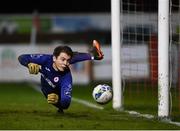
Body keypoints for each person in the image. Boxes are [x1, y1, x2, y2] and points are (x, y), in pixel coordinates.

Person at [18, 40, 104, 113]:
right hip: (46, 87)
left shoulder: (66, 78)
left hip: (58, 88)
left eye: (68, 60)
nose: (65, 63)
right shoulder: (45, 59)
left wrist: (58, 101)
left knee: (62, 103)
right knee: (50, 97)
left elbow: (66, 104)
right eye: (63, 59)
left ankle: (58, 107)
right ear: (54, 58)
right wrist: (28, 64)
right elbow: (22, 57)